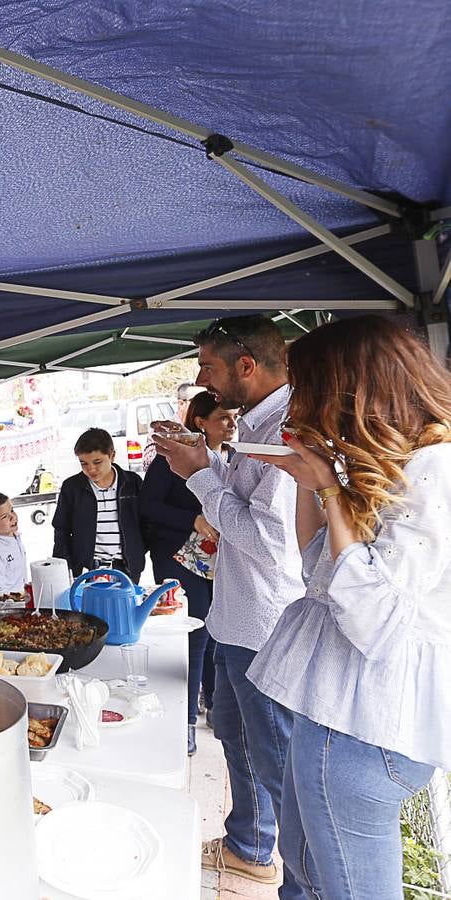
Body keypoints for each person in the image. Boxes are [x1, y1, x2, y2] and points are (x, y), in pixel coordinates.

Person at [245, 317, 451, 900]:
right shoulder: (397, 463)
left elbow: (373, 619)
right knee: (304, 874)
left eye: (306, 387)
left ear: (351, 388)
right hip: (341, 712)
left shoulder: (436, 470)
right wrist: (313, 481)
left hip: (362, 727)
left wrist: (331, 490)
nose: (298, 403)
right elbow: (319, 574)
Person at [153, 315, 303, 893]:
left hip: (265, 622)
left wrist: (199, 476)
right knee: (238, 745)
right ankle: (249, 846)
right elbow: (243, 505)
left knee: (275, 763)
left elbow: (269, 542)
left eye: (209, 366)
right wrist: (206, 461)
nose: (201, 378)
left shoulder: (283, 433)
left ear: (247, 365)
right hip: (237, 618)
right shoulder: (256, 425)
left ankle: (300, 876)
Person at [138, 392, 237, 755]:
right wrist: (193, 519)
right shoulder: (170, 459)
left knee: (216, 630)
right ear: (200, 423)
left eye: (233, 416)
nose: (231, 423)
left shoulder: (234, 457)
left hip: (217, 559)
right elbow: (148, 507)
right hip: (177, 557)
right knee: (196, 632)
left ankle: (213, 705)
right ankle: (186, 722)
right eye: (223, 417)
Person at [51, 427, 146, 582]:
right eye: (84, 464)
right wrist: (66, 568)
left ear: (112, 456)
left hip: (126, 568)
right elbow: (61, 530)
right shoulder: (72, 487)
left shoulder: (132, 483)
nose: (91, 469)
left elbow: (146, 524)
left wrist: (137, 551)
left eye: (97, 462)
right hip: (86, 570)